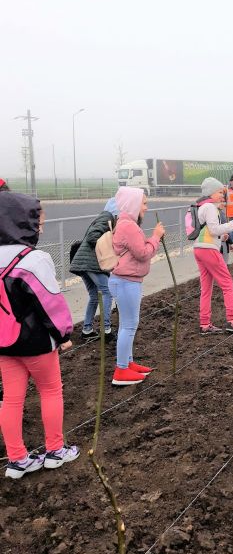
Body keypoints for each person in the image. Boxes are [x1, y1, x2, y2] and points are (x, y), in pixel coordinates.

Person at [0, 192, 79, 479]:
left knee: (11, 399)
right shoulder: (34, 260)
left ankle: (17, 459)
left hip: (4, 344)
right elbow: (51, 304)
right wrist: (63, 334)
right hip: (36, 343)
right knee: (50, 390)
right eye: (37, 221)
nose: (39, 226)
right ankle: (55, 450)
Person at [109, 187, 165, 387]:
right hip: (126, 282)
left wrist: (152, 239)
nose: (146, 208)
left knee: (127, 324)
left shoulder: (124, 223)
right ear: (133, 204)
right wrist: (156, 236)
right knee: (129, 325)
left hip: (124, 281)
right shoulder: (129, 226)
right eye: (144, 203)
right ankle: (121, 369)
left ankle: (128, 363)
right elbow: (143, 253)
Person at [193, 177, 233, 334]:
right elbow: (214, 230)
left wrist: (222, 238)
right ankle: (232, 321)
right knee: (227, 283)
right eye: (221, 192)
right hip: (209, 250)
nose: (223, 195)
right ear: (212, 193)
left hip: (199, 249)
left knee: (206, 287)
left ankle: (205, 323)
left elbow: (207, 232)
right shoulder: (210, 207)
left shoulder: (200, 206)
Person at [70, 198, 119, 340]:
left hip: (83, 263)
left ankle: (87, 330)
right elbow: (93, 237)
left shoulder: (103, 217)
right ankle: (107, 330)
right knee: (107, 292)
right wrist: (108, 246)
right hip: (91, 264)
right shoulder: (106, 218)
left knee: (93, 295)